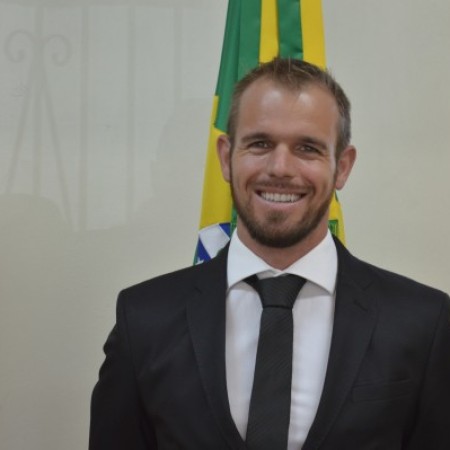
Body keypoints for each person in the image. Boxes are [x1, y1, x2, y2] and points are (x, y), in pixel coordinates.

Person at [89, 58, 450, 450]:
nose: (280, 168)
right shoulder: (144, 320)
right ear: (226, 157)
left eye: (307, 148)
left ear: (342, 167)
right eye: (260, 144)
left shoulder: (423, 324)